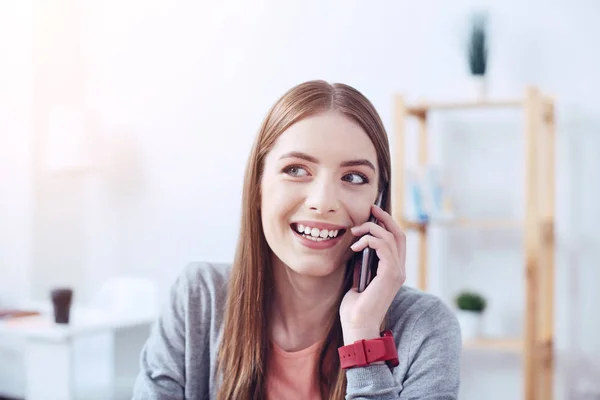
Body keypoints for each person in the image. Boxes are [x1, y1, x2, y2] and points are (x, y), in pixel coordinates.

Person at [131, 80, 461, 400]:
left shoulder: (424, 328)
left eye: (353, 177)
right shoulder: (199, 299)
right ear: (258, 185)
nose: (323, 201)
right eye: (296, 170)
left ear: (378, 199)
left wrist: (363, 341)